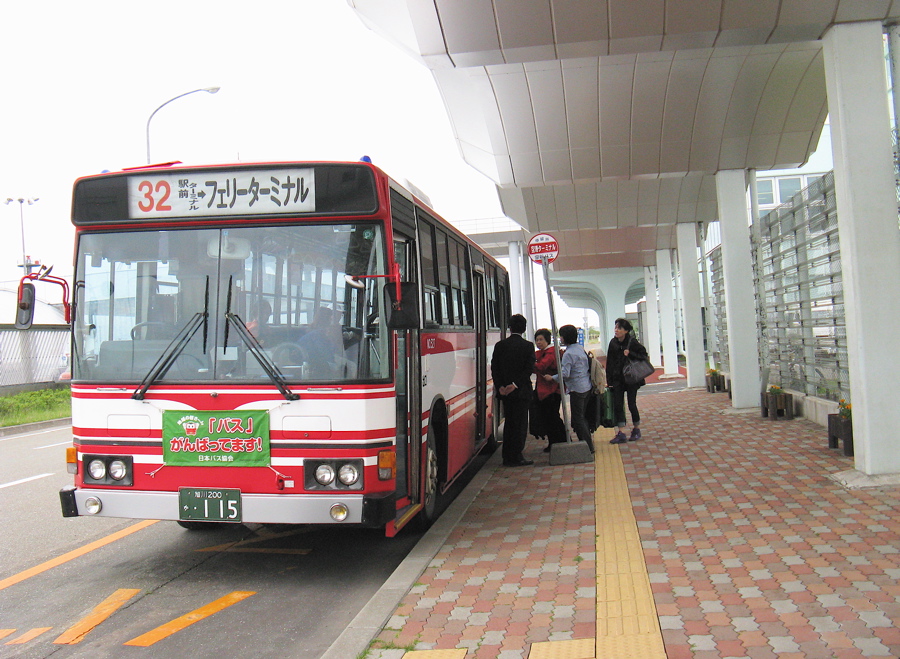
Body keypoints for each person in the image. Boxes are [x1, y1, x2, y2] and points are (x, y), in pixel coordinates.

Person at [491, 314, 536, 467]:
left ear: (509, 328)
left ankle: (507, 456)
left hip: (505, 393)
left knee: (509, 423)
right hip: (521, 391)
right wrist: (515, 385)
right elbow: (528, 369)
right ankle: (517, 455)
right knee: (521, 425)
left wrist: (501, 386)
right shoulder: (528, 346)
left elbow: (494, 368)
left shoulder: (500, 345)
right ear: (524, 328)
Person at [604, 317, 649, 444]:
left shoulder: (632, 342)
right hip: (618, 378)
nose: (616, 330)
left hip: (631, 378)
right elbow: (610, 362)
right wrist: (609, 380)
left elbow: (644, 356)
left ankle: (636, 429)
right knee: (618, 404)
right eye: (616, 327)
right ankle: (621, 432)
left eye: (619, 328)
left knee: (631, 404)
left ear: (626, 331)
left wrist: (630, 354)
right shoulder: (613, 343)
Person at [555, 324, 594, 453]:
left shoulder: (568, 354)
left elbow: (565, 374)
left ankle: (587, 446)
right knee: (582, 417)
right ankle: (586, 443)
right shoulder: (579, 348)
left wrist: (552, 377)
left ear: (565, 338)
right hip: (587, 386)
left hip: (577, 389)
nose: (560, 339)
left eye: (561, 336)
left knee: (578, 419)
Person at [532, 328, 567, 452]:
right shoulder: (543, 352)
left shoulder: (551, 353)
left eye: (541, 339)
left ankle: (561, 441)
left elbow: (541, 366)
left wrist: (530, 364)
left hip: (552, 390)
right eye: (537, 340)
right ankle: (555, 442)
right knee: (550, 418)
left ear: (547, 340)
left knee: (552, 417)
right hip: (546, 391)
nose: (538, 342)